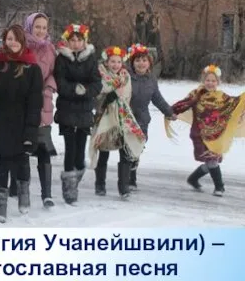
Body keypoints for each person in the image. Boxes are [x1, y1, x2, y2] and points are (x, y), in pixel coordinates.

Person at [0, 25, 43, 223]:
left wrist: (31, 129)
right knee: (3, 163)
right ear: (4, 40)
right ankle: (0, 207)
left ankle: (23, 197)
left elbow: (36, 102)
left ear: (23, 41)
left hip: (23, 122)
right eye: (9, 38)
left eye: (16, 39)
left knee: (23, 161)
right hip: (1, 122)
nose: (13, 43)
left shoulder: (32, 68)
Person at [170, 65, 245, 196]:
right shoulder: (196, 95)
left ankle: (193, 178)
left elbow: (235, 104)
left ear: (218, 82)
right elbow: (184, 104)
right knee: (212, 160)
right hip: (199, 134)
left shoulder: (221, 97)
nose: (210, 83)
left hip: (216, 134)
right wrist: (171, 111)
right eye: (208, 80)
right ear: (203, 81)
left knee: (211, 160)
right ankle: (219, 187)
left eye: (213, 80)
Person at [54, 23, 101, 205]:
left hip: (84, 112)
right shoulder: (62, 59)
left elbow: (97, 83)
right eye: (72, 40)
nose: (75, 43)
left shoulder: (91, 59)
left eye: (78, 40)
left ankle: (75, 178)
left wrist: (85, 90)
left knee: (80, 155)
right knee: (70, 149)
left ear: (84, 42)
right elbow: (60, 81)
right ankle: (70, 189)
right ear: (67, 41)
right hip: (66, 110)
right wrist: (75, 89)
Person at [89, 46, 145, 199]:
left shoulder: (125, 77)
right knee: (104, 151)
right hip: (105, 118)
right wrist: (111, 96)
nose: (115, 65)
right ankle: (100, 184)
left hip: (122, 118)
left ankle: (124, 187)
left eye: (118, 61)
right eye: (112, 61)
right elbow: (97, 99)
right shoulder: (101, 77)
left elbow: (127, 97)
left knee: (125, 151)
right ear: (106, 62)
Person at [126, 43, 174, 190]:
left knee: (137, 149)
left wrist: (169, 112)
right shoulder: (125, 77)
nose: (141, 63)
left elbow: (157, 98)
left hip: (142, 120)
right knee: (127, 150)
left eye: (144, 60)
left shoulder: (151, 79)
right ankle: (128, 179)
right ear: (132, 63)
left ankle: (131, 173)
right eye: (137, 60)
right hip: (126, 118)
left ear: (149, 63)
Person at [23, 12, 58, 207]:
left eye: (44, 27)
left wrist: (49, 86)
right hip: (25, 101)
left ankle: (47, 193)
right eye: (37, 27)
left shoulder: (50, 49)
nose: (41, 31)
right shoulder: (23, 46)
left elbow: (54, 72)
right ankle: (20, 189)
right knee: (24, 148)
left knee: (44, 147)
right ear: (30, 26)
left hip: (44, 101)